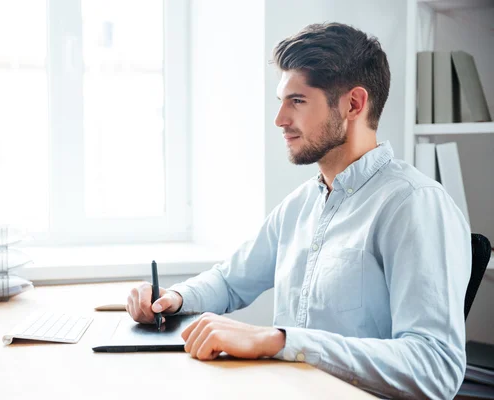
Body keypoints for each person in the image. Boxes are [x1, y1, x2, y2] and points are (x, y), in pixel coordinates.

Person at [126, 22, 470, 399]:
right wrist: (172, 299)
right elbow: (229, 281)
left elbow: (436, 367)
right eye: (281, 101)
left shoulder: (413, 204)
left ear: (353, 104)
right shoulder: (302, 204)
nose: (280, 120)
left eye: (298, 101)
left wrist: (279, 341)